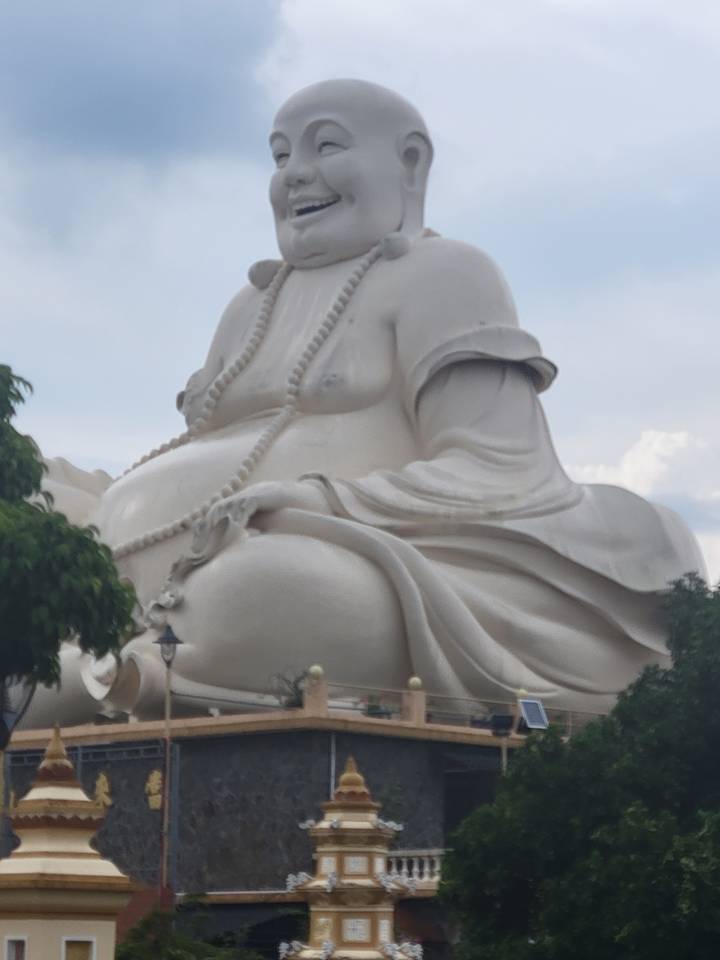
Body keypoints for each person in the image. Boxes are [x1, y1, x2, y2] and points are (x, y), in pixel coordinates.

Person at [25, 79, 704, 726]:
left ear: (409, 163)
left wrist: (316, 501)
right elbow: (200, 451)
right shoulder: (249, 307)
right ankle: (102, 662)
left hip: (352, 550)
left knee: (263, 594)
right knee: (34, 509)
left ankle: (96, 671)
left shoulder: (446, 274)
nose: (295, 173)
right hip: (142, 572)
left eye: (326, 146)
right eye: (281, 154)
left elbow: (499, 467)